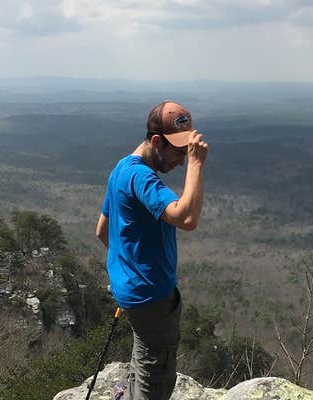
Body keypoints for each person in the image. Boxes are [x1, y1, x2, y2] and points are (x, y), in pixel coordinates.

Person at [95, 100, 208, 400]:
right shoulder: (142, 177)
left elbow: (102, 230)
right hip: (152, 298)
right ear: (156, 141)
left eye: (187, 154)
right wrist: (197, 163)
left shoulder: (121, 168)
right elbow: (186, 217)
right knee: (155, 378)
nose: (182, 161)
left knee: (142, 354)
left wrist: (129, 269)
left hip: (133, 294)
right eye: (179, 152)